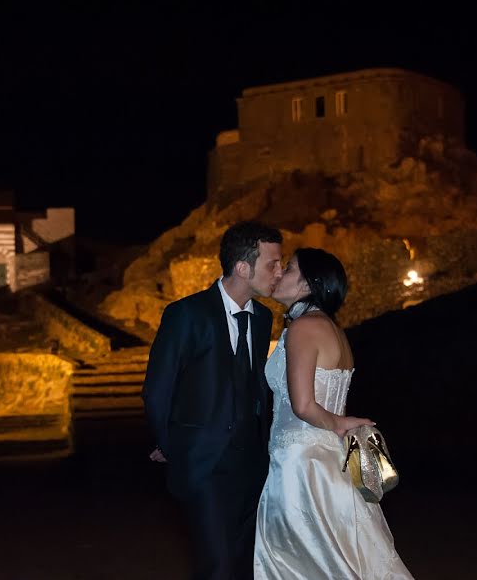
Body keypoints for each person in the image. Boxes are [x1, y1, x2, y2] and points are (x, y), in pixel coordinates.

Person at [253, 248, 413, 579]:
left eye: (290, 267)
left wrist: (341, 423)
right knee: (348, 560)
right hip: (332, 464)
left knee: (299, 565)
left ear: (310, 282)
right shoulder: (333, 329)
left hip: (302, 465)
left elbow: (304, 406)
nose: (280, 272)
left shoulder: (303, 328)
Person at [143, 221, 283, 580]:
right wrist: (170, 442)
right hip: (205, 464)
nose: (279, 272)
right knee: (216, 567)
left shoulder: (264, 317)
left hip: (252, 466)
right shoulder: (186, 314)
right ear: (242, 267)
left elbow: (256, 388)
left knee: (245, 566)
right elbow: (158, 389)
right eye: (272, 263)